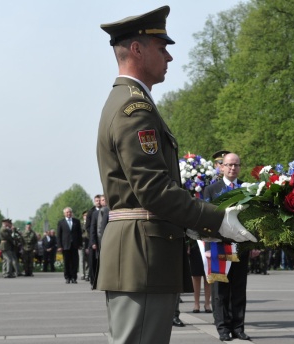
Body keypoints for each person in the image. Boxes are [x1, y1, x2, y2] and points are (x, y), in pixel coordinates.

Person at [96, 6, 256, 344]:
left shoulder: (134, 103)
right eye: (161, 47)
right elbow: (153, 190)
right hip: (142, 255)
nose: (169, 57)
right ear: (137, 49)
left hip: (143, 253)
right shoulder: (134, 110)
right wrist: (218, 220)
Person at [203, 152, 251, 342]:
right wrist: (208, 244)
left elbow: (252, 221)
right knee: (220, 291)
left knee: (239, 289)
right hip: (219, 247)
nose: (233, 168)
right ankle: (223, 329)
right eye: (229, 165)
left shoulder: (247, 189)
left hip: (241, 247)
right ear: (221, 167)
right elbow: (206, 219)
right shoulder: (212, 190)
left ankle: (238, 327)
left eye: (236, 165)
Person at [57, 207, 83, 284]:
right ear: (64, 213)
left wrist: (80, 244)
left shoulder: (76, 222)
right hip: (65, 245)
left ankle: (74, 277)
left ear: (72, 213)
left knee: (74, 262)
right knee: (67, 262)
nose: (69, 213)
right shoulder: (61, 222)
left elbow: (79, 234)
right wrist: (59, 246)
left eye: (70, 212)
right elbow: (59, 235)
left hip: (74, 245)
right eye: (67, 212)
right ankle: (67, 277)